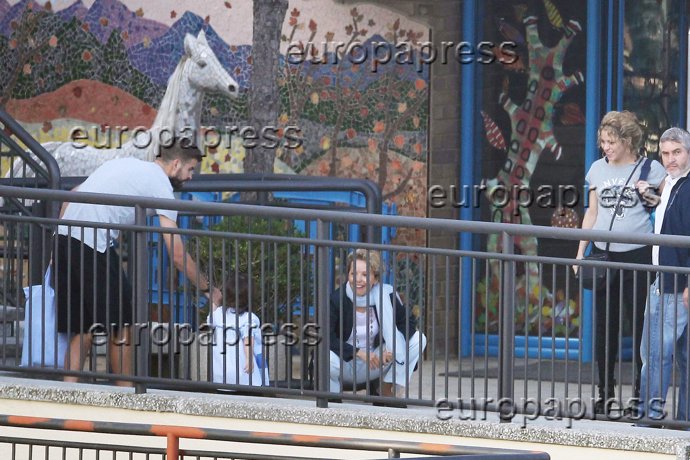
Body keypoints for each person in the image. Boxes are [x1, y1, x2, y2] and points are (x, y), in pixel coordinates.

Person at [54, 138, 222, 386]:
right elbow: (176, 254)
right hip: (92, 242)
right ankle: (125, 393)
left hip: (65, 238)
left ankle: (67, 391)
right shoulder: (161, 186)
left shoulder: (127, 165)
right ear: (176, 164)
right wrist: (209, 289)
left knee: (84, 327)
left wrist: (54, 247)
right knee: (122, 325)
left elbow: (73, 193)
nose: (190, 177)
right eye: (190, 170)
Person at [574, 111, 666, 413]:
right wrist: (580, 253)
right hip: (604, 255)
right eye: (603, 142)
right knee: (604, 327)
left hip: (639, 255)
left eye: (611, 142)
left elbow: (663, 206)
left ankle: (640, 395)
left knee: (641, 327)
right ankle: (605, 393)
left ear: (627, 141)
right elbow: (592, 213)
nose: (606, 147)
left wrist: (649, 193)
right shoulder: (597, 169)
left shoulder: (650, 169)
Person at [637, 127, 690, 423]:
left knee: (656, 356)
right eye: (665, 153)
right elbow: (671, 220)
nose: (670, 159)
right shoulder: (671, 183)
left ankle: (650, 418)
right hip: (666, 280)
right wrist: (650, 198)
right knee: (680, 358)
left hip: (675, 284)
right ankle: (684, 421)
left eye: (677, 153)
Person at [329, 249, 426, 398]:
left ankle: (386, 387)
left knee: (419, 339)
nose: (358, 279)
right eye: (354, 274)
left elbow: (407, 322)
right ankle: (331, 395)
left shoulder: (386, 296)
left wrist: (391, 349)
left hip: (376, 362)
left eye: (365, 275)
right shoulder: (337, 299)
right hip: (345, 363)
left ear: (375, 278)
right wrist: (358, 352)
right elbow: (327, 337)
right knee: (326, 356)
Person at [208, 272, 268, 386]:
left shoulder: (219, 314)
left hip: (221, 374)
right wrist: (249, 359)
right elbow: (248, 341)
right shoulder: (249, 318)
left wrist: (214, 298)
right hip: (242, 373)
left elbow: (210, 321)